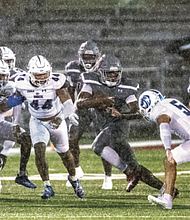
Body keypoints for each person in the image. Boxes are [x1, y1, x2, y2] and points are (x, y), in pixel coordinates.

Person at [75, 53, 169, 195]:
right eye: (110, 73)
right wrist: (100, 101)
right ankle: (167, 189)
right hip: (106, 127)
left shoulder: (127, 86)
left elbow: (137, 112)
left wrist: (121, 113)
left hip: (119, 126)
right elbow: (80, 103)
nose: (113, 76)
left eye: (116, 73)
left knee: (97, 147)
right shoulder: (91, 81)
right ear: (100, 72)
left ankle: (128, 172)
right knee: (135, 167)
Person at [11, 55, 84, 199]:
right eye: (38, 74)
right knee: (39, 151)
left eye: (44, 73)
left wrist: (62, 117)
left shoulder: (56, 82)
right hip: (37, 121)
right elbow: (17, 103)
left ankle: (74, 179)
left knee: (65, 154)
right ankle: (47, 186)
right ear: (30, 73)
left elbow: (68, 103)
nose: (42, 77)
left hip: (55, 119)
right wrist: (15, 123)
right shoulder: (21, 82)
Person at [65, 40, 113, 189]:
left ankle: (108, 177)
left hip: (100, 108)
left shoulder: (103, 68)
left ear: (97, 57)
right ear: (80, 57)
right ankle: (77, 170)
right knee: (71, 139)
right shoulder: (73, 68)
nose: (88, 61)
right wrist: (70, 110)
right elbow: (70, 90)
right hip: (82, 108)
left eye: (91, 58)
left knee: (104, 143)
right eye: (85, 58)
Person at [138, 89, 190, 209]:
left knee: (169, 160)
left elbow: (164, 124)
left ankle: (167, 198)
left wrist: (168, 148)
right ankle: (167, 197)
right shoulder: (170, 101)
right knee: (170, 161)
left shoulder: (159, 110)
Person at [0, 59, 36, 191]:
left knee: (26, 138)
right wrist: (15, 101)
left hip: (0, 124)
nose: (3, 79)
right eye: (0, 75)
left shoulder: (10, 86)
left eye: (5, 75)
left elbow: (15, 106)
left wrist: (15, 123)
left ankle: (22, 175)